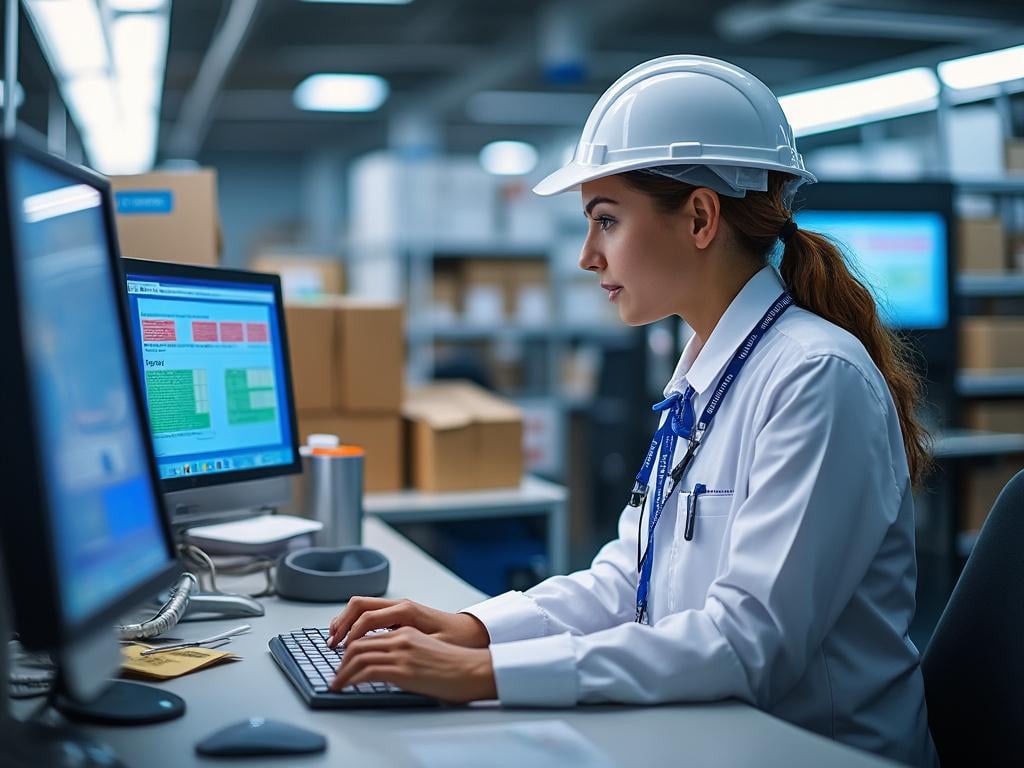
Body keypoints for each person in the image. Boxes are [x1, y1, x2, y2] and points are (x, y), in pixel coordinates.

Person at [324, 55, 938, 767]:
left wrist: (485, 676)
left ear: (701, 217)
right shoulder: (705, 368)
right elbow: (630, 579)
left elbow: (747, 643)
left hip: (811, 749)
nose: (588, 255)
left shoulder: (814, 378)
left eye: (606, 221)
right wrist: (474, 630)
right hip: (712, 729)